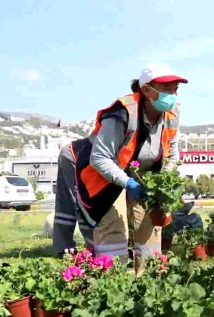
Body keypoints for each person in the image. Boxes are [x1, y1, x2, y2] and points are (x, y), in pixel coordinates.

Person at [70, 63, 186, 263]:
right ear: (147, 90)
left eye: (175, 88)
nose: (172, 94)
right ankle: (113, 280)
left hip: (142, 175)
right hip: (104, 176)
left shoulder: (172, 114)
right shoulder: (123, 113)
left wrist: (164, 185)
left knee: (149, 224)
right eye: (166, 89)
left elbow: (171, 155)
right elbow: (99, 158)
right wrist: (129, 184)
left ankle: (149, 279)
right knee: (114, 228)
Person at [51, 142, 94, 255]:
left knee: (66, 203)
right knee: (83, 202)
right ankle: (93, 248)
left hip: (71, 152)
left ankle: (62, 246)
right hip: (75, 156)